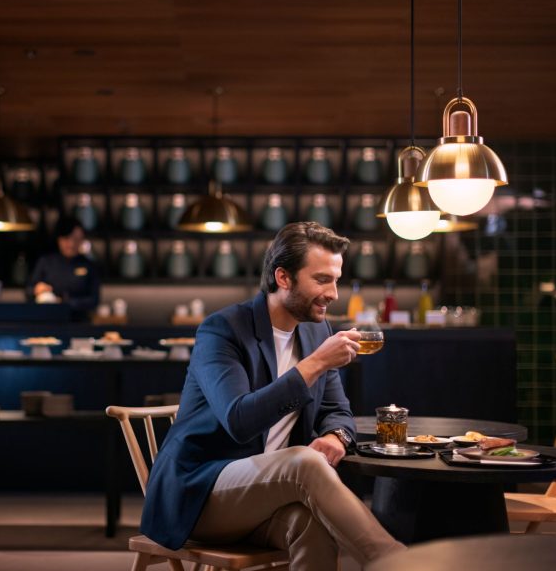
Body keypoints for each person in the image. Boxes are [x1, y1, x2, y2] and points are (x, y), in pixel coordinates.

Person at [140, 222, 404, 570]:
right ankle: (397, 561)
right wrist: (315, 364)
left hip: (271, 494)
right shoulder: (223, 330)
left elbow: (337, 410)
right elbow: (239, 420)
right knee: (306, 463)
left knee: (314, 525)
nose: (333, 293)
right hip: (198, 494)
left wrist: (336, 436)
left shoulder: (315, 331)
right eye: (323, 279)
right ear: (283, 278)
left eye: (336, 280)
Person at [28, 216, 100, 321]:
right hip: (47, 321)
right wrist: (36, 289)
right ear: (59, 239)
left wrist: (65, 303)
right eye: (67, 238)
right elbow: (28, 290)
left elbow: (94, 300)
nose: (71, 244)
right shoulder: (46, 262)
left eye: (76, 239)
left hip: (79, 322)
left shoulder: (89, 265)